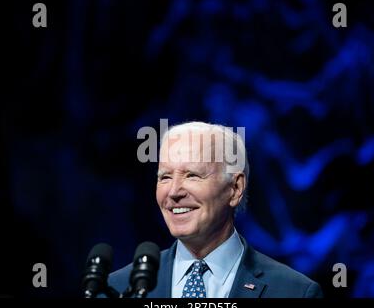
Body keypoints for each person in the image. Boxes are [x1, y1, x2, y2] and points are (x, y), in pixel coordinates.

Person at [108, 121, 323, 298]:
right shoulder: (117, 289)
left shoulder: (295, 293)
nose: (173, 192)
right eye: (165, 177)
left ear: (235, 188)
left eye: (192, 175)